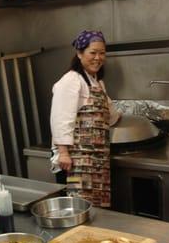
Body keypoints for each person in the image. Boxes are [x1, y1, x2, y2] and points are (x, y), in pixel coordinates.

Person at [49, 30, 120, 208]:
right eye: (93, 52)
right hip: (75, 160)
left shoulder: (97, 82)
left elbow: (109, 113)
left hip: (96, 160)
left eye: (102, 53)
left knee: (96, 210)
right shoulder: (71, 80)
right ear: (80, 53)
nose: (98, 58)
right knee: (78, 208)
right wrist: (63, 153)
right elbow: (60, 118)